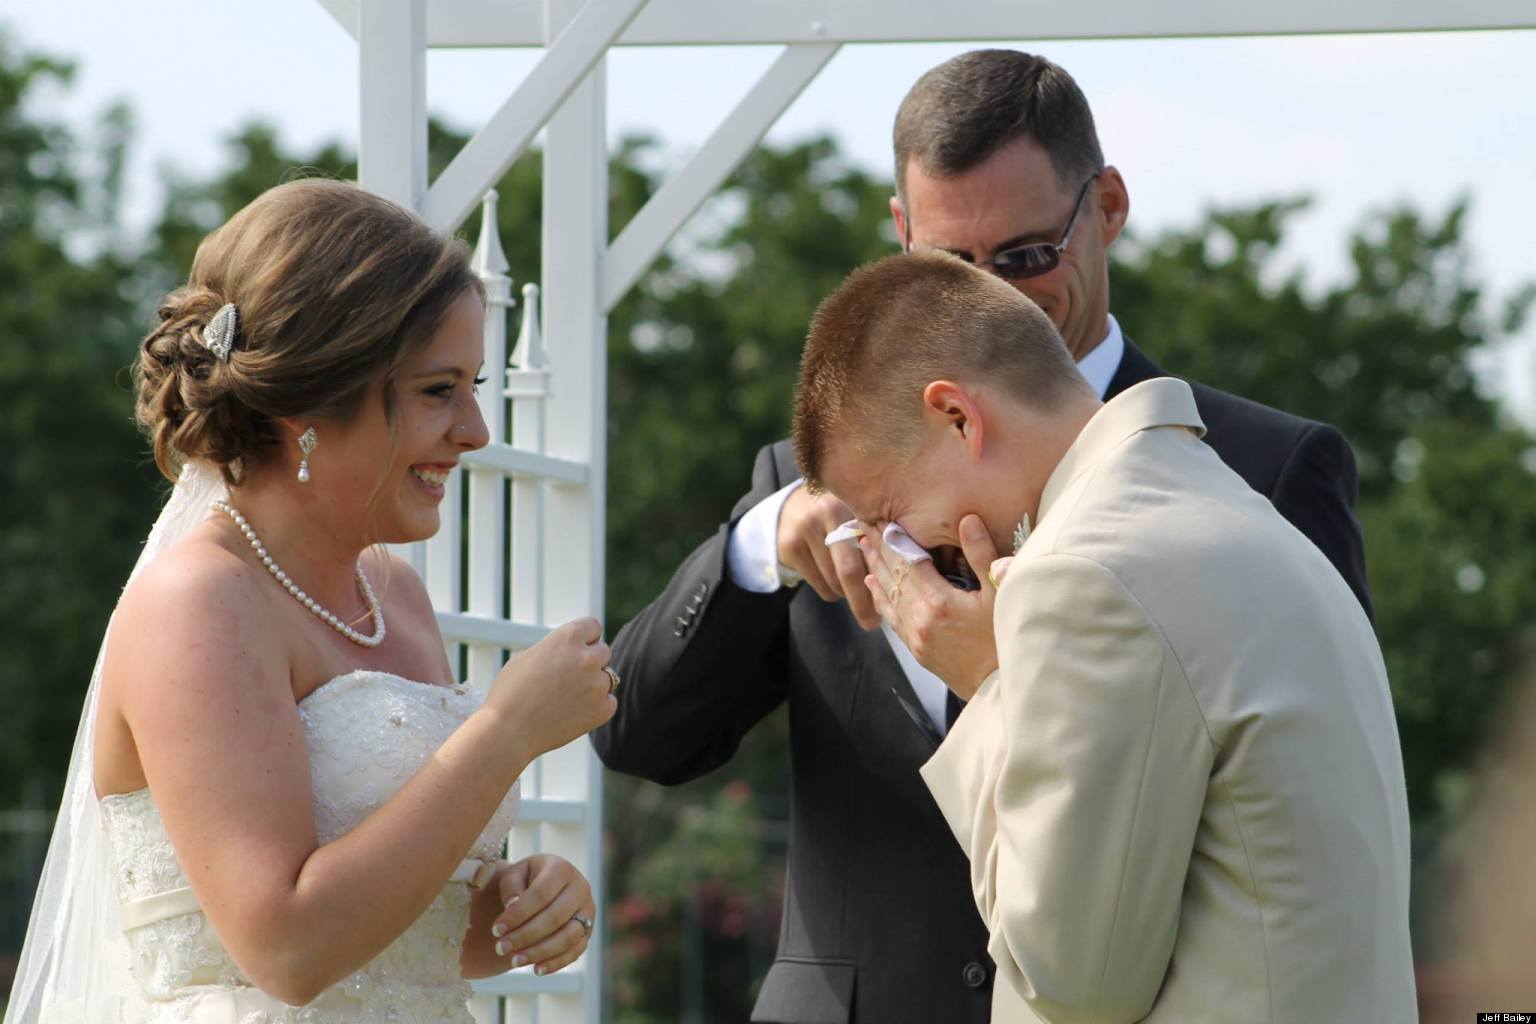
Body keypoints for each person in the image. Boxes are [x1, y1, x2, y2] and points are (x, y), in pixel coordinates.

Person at [593, 49, 1370, 1023]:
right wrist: (755, 546)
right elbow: (635, 732)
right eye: (947, 268)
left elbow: (1301, 826)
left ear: (1109, 206)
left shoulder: (1259, 469)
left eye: (1025, 256)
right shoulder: (816, 481)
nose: (987, 297)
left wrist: (1001, 685)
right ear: (899, 232)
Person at [5, 179, 618, 1023]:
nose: (476, 430)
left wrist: (523, 907)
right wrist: (504, 732)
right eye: (440, 390)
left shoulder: (393, 594)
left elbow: (400, 938)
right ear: (308, 404)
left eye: (474, 386)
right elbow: (288, 949)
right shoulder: (199, 602)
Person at [794, 250, 1416, 1023]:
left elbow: (1069, 981)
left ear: (958, 416)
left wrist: (991, 689)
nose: (902, 553)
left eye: (890, 515)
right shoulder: (1237, 511)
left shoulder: (1085, 574)